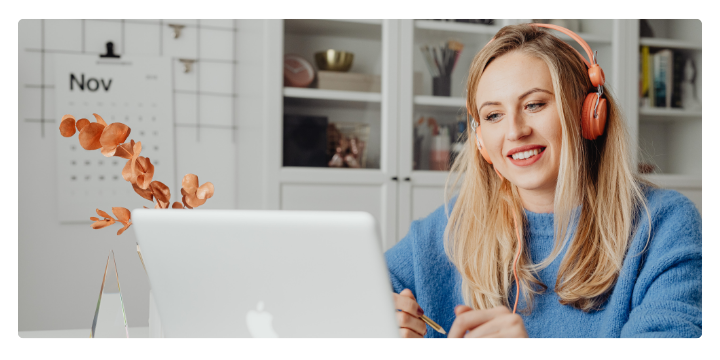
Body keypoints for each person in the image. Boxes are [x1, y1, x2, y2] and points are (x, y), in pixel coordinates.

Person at [385, 24, 702, 338]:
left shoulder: (663, 224)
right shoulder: (452, 226)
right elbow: (350, 292)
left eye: (534, 105)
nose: (515, 131)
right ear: (480, 140)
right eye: (494, 115)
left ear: (589, 115)